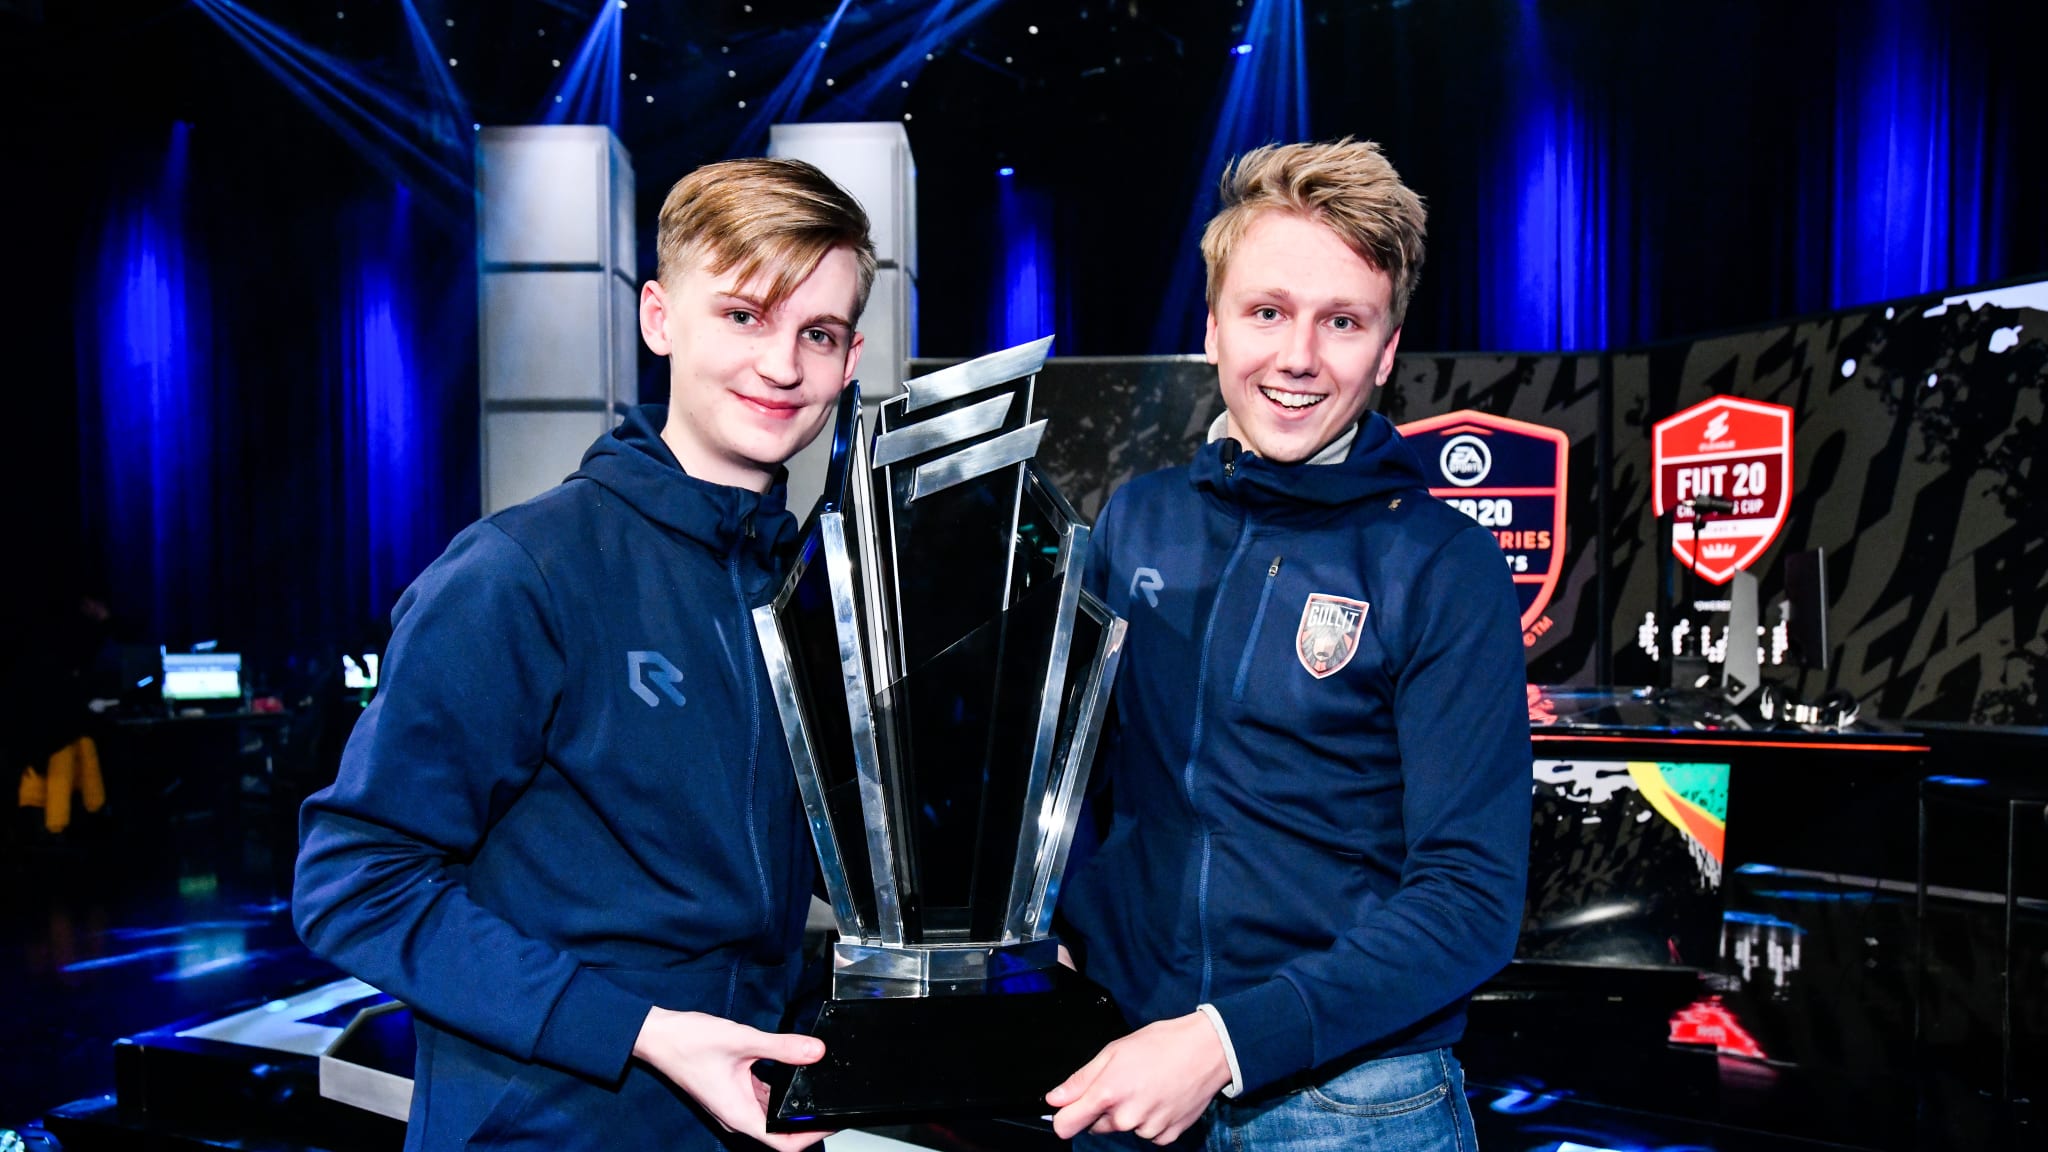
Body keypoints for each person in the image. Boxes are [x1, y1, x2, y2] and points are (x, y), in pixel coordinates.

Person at [293, 157, 874, 1152]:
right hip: (544, 1126)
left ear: (851, 356)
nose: (782, 367)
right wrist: (642, 1033)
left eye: (814, 334)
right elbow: (354, 879)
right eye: (742, 316)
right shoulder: (522, 572)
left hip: (748, 1115)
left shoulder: (810, 595)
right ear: (658, 318)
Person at [1046, 138, 1532, 1149]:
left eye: (1341, 322)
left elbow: (1470, 902)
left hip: (1352, 1102)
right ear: (1215, 326)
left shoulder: (1440, 566)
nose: (1299, 357)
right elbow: (1071, 781)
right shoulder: (1136, 521)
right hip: (1126, 1067)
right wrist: (1050, 926)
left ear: (1386, 351)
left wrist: (1221, 1043)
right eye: (1266, 311)